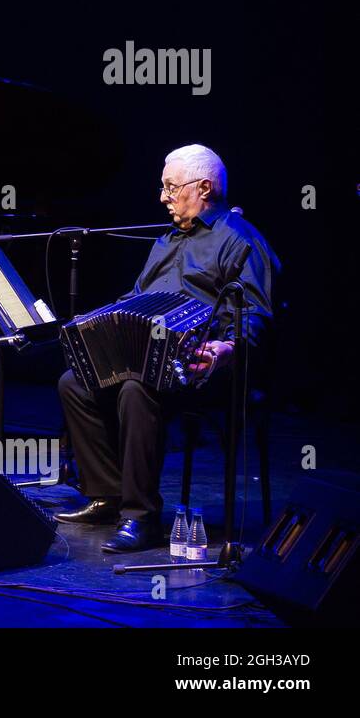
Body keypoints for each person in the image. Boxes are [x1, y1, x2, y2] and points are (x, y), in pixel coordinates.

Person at [55, 144, 277, 552]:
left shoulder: (241, 240)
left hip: (207, 367)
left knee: (136, 390)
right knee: (75, 382)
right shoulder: (166, 242)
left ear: (204, 187)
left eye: (171, 188)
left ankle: (142, 517)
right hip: (147, 358)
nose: (163, 198)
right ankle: (108, 495)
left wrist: (226, 347)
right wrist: (96, 324)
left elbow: (257, 315)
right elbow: (137, 296)